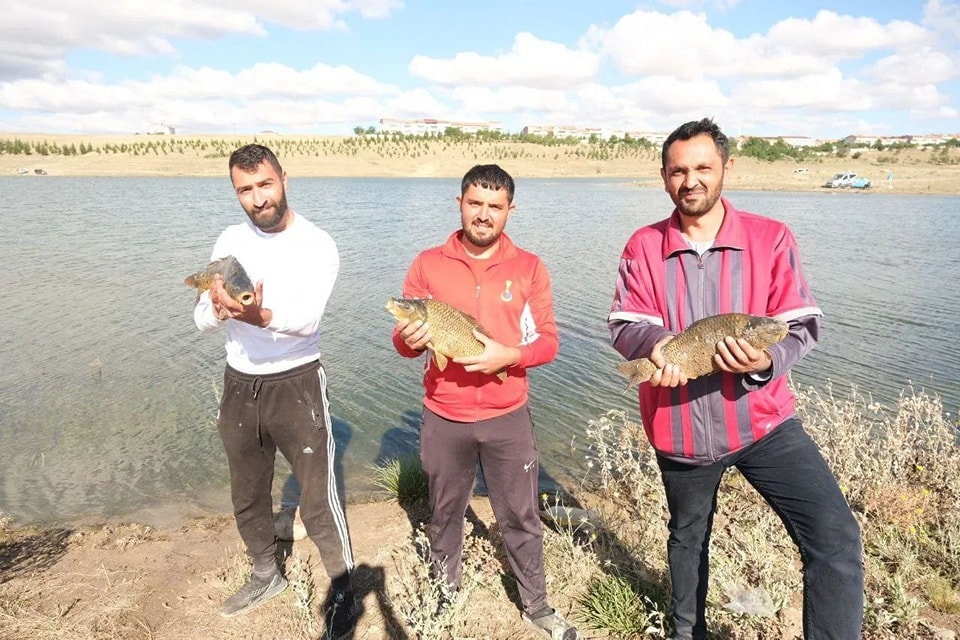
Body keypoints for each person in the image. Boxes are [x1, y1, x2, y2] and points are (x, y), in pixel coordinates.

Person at [608, 119, 863, 640]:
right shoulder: (642, 245)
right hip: (676, 427)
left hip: (763, 424)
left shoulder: (771, 238)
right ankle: (687, 632)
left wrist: (763, 365)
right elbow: (625, 322)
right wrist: (655, 348)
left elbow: (801, 323)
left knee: (834, 538)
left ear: (726, 168)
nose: (691, 180)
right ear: (663, 177)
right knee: (687, 537)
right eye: (678, 171)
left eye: (703, 167)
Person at [391, 164, 580, 640]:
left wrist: (509, 355)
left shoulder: (530, 267)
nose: (483, 214)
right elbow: (403, 342)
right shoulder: (427, 263)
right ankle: (444, 591)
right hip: (443, 416)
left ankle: (535, 604)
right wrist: (412, 339)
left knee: (519, 513)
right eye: (475, 203)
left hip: (507, 416)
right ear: (459, 203)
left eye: (495, 207)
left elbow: (550, 342)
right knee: (444, 510)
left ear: (509, 211)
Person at [193, 144, 358, 636]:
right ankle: (266, 574)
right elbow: (202, 317)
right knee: (246, 491)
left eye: (265, 184)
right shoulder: (228, 239)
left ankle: (344, 592)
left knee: (317, 499)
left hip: (298, 383)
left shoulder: (318, 243)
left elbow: (306, 322)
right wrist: (220, 310)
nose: (258, 198)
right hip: (238, 383)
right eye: (245, 190)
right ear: (235, 193)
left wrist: (256, 315)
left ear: (284, 178)